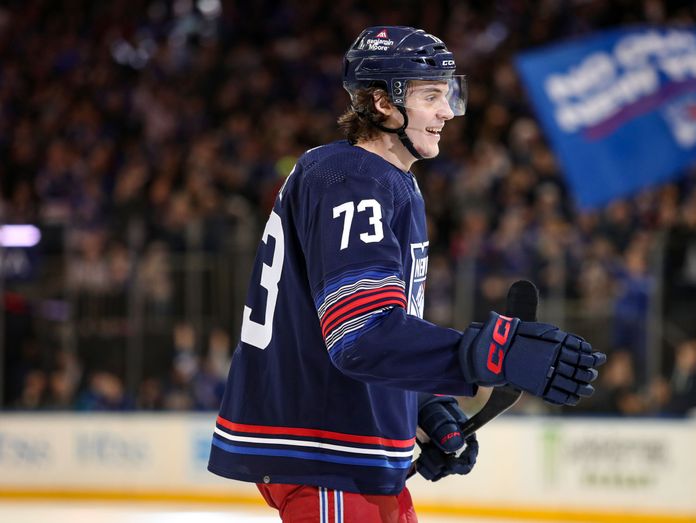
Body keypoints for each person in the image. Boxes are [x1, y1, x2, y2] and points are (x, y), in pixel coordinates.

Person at [207, 26, 605, 523]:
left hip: (350, 458)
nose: (446, 111)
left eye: (448, 94)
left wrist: (420, 405)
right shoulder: (353, 179)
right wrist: (492, 353)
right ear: (382, 102)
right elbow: (360, 336)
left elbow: (367, 330)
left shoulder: (378, 180)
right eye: (431, 96)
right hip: (327, 455)